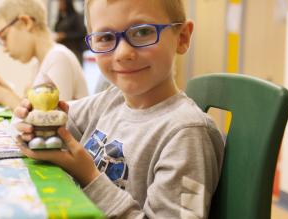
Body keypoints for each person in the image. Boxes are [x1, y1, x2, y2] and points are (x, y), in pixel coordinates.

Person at [13, 0, 225, 218]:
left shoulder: (187, 133)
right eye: (105, 37)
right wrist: (35, 115)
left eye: (143, 32)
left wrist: (89, 176)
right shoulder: (114, 99)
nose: (123, 53)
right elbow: (66, 118)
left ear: (182, 37)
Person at [0, 0, 88, 110]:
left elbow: (49, 121)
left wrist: (5, 96)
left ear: (26, 22)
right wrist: (6, 91)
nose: (4, 49)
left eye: (4, 37)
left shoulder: (59, 58)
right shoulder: (41, 63)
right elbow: (35, 111)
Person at [53, 0, 86, 65]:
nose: (60, 5)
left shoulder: (76, 17)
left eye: (61, 3)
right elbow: (56, 29)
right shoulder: (62, 17)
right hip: (62, 51)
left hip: (74, 50)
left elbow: (82, 33)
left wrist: (65, 35)